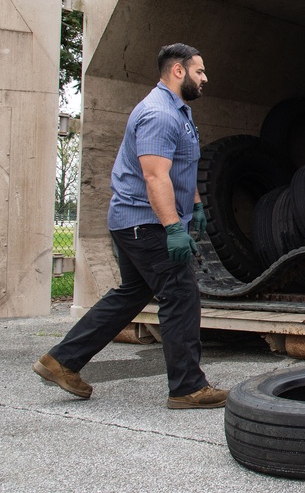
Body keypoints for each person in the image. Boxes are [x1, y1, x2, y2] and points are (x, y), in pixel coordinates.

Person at [33, 43, 227, 409]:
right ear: (178, 72)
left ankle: (62, 361)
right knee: (181, 296)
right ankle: (187, 387)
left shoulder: (179, 112)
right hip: (147, 224)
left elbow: (180, 168)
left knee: (132, 294)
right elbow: (156, 178)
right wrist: (173, 228)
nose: (205, 78)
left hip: (138, 223)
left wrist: (196, 205)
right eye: (199, 71)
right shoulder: (158, 114)